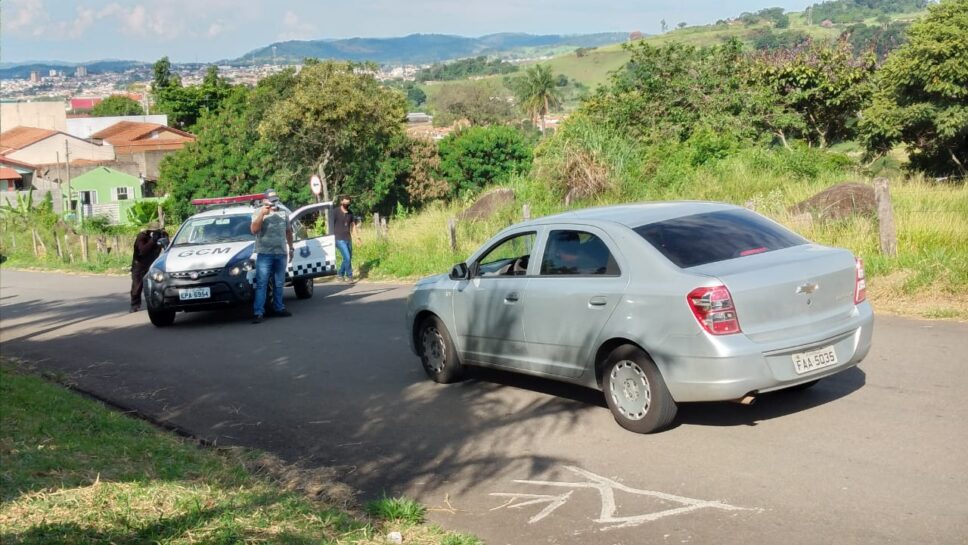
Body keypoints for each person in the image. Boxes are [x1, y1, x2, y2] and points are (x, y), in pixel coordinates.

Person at [250, 189, 294, 324]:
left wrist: (291, 248)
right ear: (264, 200)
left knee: (279, 283)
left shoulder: (283, 212)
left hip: (281, 253)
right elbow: (254, 230)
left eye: (275, 200)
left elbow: (288, 231)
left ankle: (279, 308)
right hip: (265, 253)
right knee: (262, 284)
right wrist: (262, 215)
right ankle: (258, 312)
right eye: (271, 200)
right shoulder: (258, 212)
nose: (274, 203)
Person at [130, 221, 168, 312]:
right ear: (148, 231)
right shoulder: (142, 237)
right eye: (152, 231)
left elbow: (167, 247)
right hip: (139, 263)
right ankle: (135, 304)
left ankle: (158, 301)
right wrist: (152, 241)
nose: (154, 233)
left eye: (156, 231)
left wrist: (163, 238)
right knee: (137, 286)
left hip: (152, 263)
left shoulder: (161, 235)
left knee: (157, 283)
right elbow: (142, 251)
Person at [332, 195, 358, 282]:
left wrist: (357, 237)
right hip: (338, 238)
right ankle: (350, 276)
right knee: (347, 257)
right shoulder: (335, 212)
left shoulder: (350, 213)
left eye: (348, 203)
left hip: (348, 238)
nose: (347, 204)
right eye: (345, 202)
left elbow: (353, 225)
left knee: (348, 257)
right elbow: (329, 224)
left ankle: (340, 274)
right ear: (341, 202)